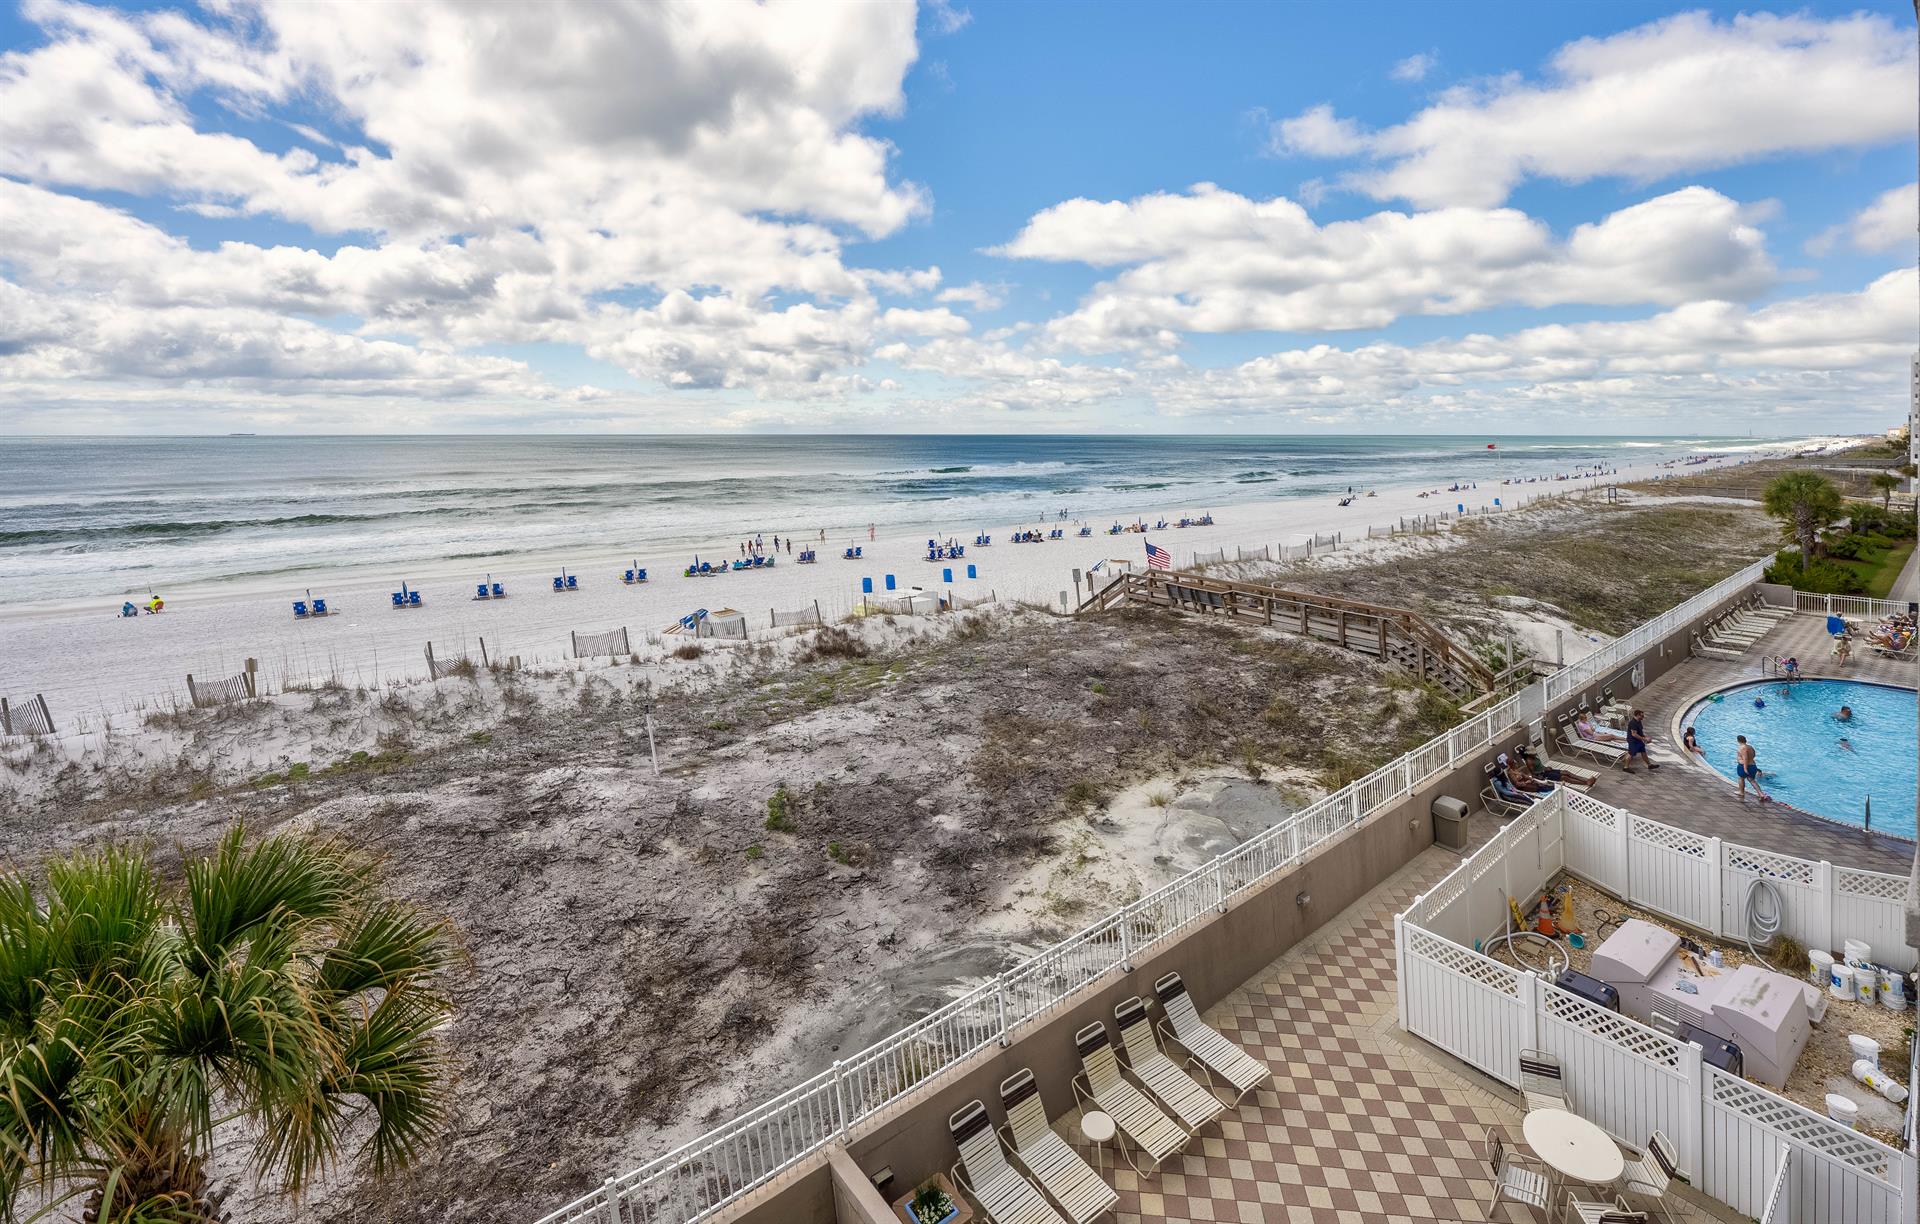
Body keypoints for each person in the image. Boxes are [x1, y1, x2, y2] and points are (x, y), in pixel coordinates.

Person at [1735, 735, 1770, 803]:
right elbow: (1753, 755)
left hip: (1744, 766)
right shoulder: (1750, 747)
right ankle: (1761, 794)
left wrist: (1745, 768)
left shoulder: (1742, 748)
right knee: (1752, 780)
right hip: (1753, 765)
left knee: (1741, 778)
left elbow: (1745, 758)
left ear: (1738, 741)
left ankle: (1741, 792)